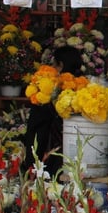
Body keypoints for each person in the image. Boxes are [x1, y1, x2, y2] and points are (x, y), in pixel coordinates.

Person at [22, 45, 83, 176]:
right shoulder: (84, 88)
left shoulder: (47, 91)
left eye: (54, 65)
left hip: (51, 159)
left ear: (60, 65)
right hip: (79, 159)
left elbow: (35, 130)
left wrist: (31, 162)